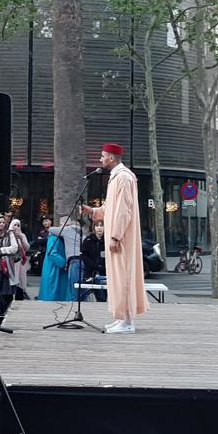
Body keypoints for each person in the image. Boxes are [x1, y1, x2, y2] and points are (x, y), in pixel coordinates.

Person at [81, 143, 148, 334]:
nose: (100, 160)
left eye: (102, 156)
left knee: (124, 277)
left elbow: (123, 211)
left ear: (111, 158)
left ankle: (127, 321)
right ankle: (122, 318)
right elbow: (111, 208)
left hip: (121, 238)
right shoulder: (117, 178)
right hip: (118, 236)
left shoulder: (124, 178)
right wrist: (93, 211)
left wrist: (116, 236)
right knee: (118, 278)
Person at [81, 220, 107, 302]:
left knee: (105, 293)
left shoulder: (108, 240)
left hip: (105, 271)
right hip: (91, 271)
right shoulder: (88, 240)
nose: (99, 228)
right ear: (93, 227)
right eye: (97, 226)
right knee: (96, 293)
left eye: (101, 225)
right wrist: (94, 266)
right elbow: (85, 256)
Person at [10, 219, 31, 301]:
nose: (16, 227)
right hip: (12, 261)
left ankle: (20, 295)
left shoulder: (22, 235)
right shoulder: (9, 235)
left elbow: (27, 247)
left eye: (18, 225)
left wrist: (21, 238)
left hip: (21, 261)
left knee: (21, 279)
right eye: (15, 225)